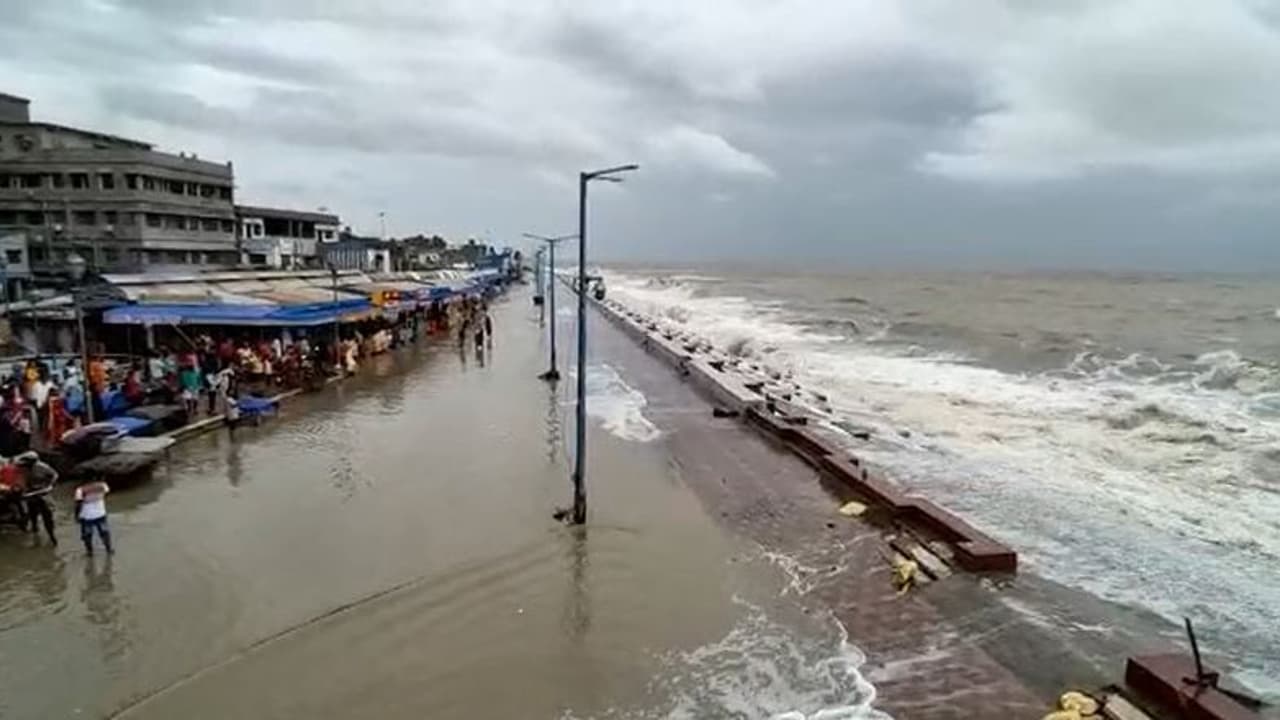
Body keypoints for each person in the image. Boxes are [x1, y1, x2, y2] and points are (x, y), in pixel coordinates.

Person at [17, 451, 57, 546]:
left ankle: (52, 536)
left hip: (43, 493)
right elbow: (22, 481)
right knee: (32, 514)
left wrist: (50, 485)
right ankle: (35, 530)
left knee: (47, 516)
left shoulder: (43, 467)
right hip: (31, 494)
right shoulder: (23, 468)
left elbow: (55, 475)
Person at [73, 477, 113, 556]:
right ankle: (109, 550)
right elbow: (106, 493)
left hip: (86, 516)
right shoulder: (102, 486)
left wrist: (76, 516)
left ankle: (90, 552)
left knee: (87, 535)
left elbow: (78, 505)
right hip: (101, 513)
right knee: (105, 532)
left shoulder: (80, 490)